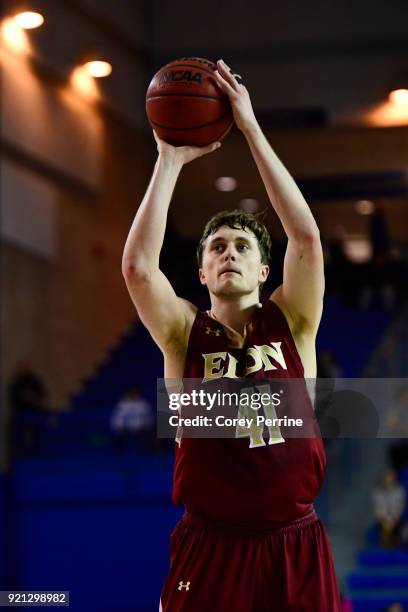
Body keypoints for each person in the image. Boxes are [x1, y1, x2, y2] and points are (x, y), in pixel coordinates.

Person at [122, 59, 341, 611]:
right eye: (217, 246)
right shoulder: (181, 334)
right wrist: (168, 161)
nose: (229, 253)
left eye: (243, 246)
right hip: (211, 544)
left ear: (265, 271)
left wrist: (249, 126)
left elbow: (307, 239)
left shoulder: (293, 322)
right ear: (201, 273)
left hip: (296, 541)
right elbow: (138, 270)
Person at [110, 386, 154, 453]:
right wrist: (120, 427)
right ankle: (119, 454)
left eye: (135, 394)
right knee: (119, 435)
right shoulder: (122, 404)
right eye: (132, 394)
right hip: (125, 428)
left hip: (141, 429)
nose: (134, 395)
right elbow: (117, 418)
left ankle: (142, 452)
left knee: (145, 436)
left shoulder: (143, 404)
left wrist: (143, 426)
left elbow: (149, 418)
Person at [373, 469, 406, 548]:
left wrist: (393, 519)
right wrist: (385, 519)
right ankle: (386, 544)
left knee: (398, 528)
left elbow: (399, 507)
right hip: (383, 519)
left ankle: (396, 544)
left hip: (396, 519)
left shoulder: (400, 491)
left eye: (391, 477)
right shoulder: (378, 492)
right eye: (387, 477)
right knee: (383, 527)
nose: (389, 479)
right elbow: (379, 507)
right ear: (383, 479)